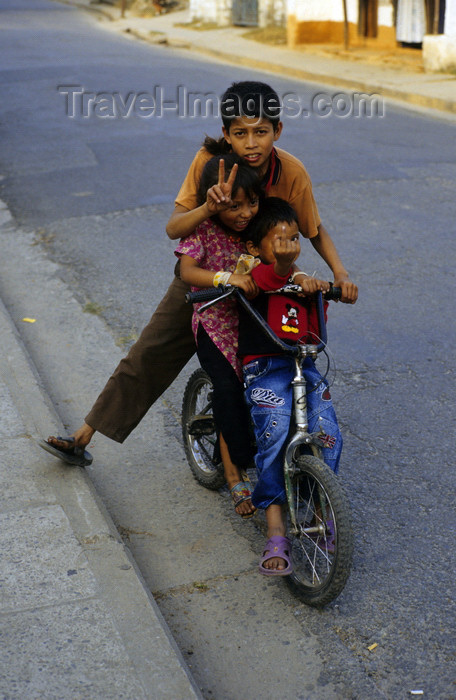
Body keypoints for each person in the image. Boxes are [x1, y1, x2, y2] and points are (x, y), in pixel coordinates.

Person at [40, 80, 357, 473]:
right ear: (226, 134)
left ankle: (276, 460)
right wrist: (208, 208)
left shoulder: (291, 172)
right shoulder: (209, 161)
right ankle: (83, 436)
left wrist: (340, 273)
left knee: (283, 358)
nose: (252, 143)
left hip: (261, 280)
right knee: (149, 353)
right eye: (240, 133)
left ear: (278, 130)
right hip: (206, 277)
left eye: (261, 131)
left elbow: (313, 229)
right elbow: (175, 227)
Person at [238, 197, 343, 575]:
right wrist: (287, 269)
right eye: (279, 240)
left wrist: (323, 292)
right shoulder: (253, 276)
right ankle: (276, 529)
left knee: (328, 431)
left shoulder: (300, 279)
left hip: (304, 366)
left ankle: (320, 508)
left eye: (294, 239)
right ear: (255, 248)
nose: (289, 246)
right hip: (266, 369)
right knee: (276, 427)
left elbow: (313, 332)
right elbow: (270, 277)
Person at [175, 153, 261, 517]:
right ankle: (233, 474)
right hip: (214, 322)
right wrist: (226, 278)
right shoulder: (204, 230)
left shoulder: (256, 230)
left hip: (253, 322)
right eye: (235, 206)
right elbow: (187, 271)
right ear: (214, 202)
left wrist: (302, 277)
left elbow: (280, 254)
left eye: (252, 203)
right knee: (228, 390)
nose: (245, 213)